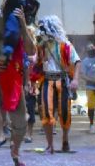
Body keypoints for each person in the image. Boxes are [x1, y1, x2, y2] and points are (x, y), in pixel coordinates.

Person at [0, 2, 35, 166]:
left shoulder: (20, 23)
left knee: (21, 122)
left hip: (12, 76)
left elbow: (31, 51)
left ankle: (14, 149)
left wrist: (23, 24)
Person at [34, 14, 81, 153]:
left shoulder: (65, 45)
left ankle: (65, 140)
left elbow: (77, 61)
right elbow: (36, 63)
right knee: (46, 114)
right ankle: (50, 145)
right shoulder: (41, 46)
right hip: (47, 81)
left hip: (62, 81)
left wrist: (76, 79)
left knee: (65, 113)